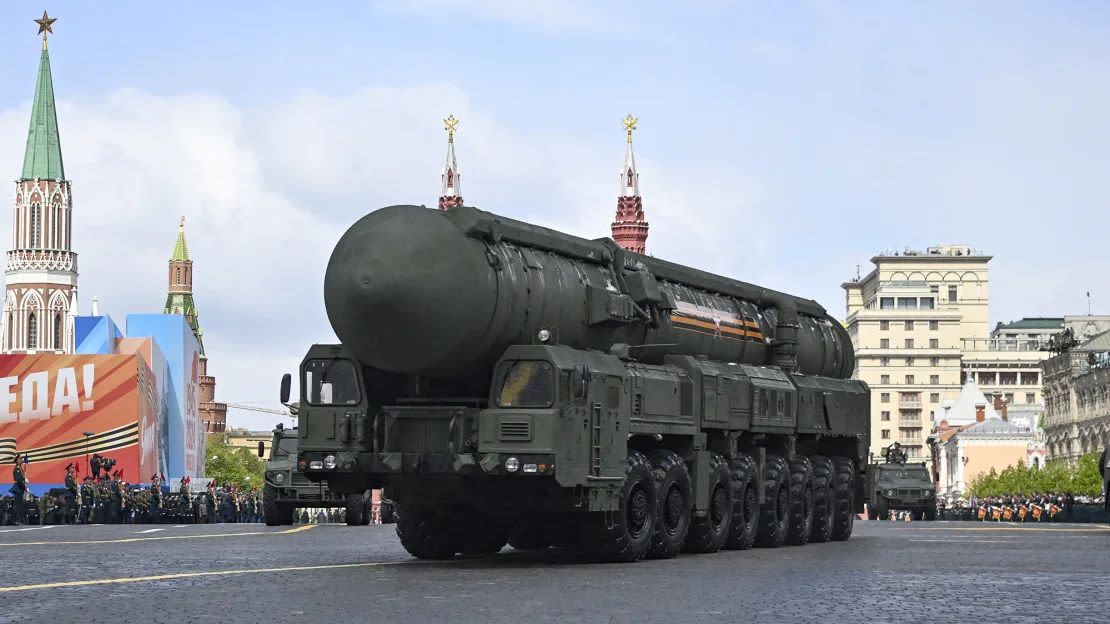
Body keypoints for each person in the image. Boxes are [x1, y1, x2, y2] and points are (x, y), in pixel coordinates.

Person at [9, 454, 29, 525]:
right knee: (18, 506)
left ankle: (18, 521)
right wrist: (25, 488)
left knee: (19, 505)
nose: (22, 460)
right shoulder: (17, 469)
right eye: (21, 459)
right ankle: (17, 521)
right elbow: (19, 480)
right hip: (18, 488)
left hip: (19, 489)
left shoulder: (20, 468)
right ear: (17, 461)